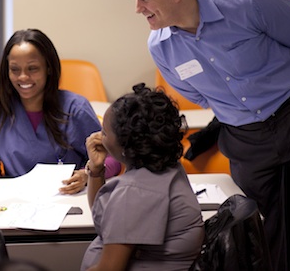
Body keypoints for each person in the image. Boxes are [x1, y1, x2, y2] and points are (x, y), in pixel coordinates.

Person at [130, 0, 290, 271]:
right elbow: (197, 94)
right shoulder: (160, 46)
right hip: (246, 138)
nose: (137, 8)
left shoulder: (251, 2)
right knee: (266, 232)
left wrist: (279, 84)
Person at [0, 28, 121, 194]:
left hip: (69, 197)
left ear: (48, 68)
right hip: (16, 202)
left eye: (33, 68)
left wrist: (87, 175)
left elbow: (113, 158)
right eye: (14, 69)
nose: (23, 77)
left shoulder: (75, 109)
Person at [81, 83, 204, 271]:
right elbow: (104, 215)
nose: (98, 137)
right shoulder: (164, 164)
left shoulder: (135, 192)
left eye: (105, 133)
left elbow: (109, 269)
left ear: (126, 146)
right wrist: (96, 169)